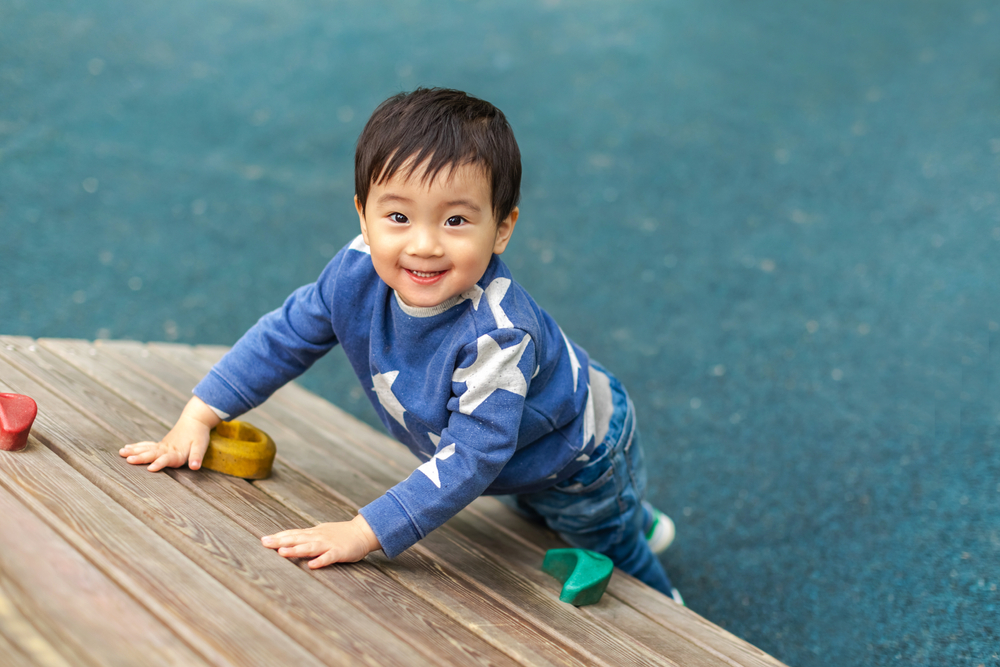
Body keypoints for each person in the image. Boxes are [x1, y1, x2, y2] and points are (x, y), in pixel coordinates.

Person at [119, 88, 680, 601]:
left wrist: (365, 532)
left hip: (579, 453)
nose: (425, 244)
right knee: (531, 511)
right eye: (397, 216)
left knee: (609, 546)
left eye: (457, 219)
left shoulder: (499, 336)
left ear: (502, 229)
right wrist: (200, 413)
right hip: (527, 440)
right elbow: (287, 333)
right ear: (362, 215)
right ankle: (636, 511)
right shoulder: (355, 270)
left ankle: (653, 571)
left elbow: (473, 456)